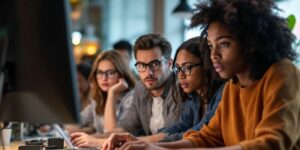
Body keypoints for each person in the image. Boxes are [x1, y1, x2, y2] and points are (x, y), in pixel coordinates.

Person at [102, 0, 300, 149]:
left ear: (251, 43)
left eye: (224, 44)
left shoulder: (281, 72)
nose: (213, 55)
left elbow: (272, 143)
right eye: (212, 46)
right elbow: (206, 137)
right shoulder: (233, 86)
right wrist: (150, 146)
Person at [72, 33, 184, 148]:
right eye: (141, 65)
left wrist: (98, 141)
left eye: (155, 64)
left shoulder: (180, 88)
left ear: (169, 63)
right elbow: (124, 128)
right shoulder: (141, 88)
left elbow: (168, 135)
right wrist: (85, 139)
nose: (148, 72)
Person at [132, 37, 225, 143]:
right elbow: (179, 126)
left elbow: (200, 132)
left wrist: (144, 142)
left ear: (206, 65)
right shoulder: (194, 97)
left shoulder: (222, 93)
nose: (180, 75)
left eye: (186, 68)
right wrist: (139, 141)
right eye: (178, 68)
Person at [70, 50, 136, 142]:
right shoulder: (98, 96)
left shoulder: (131, 98)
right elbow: (80, 120)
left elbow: (112, 135)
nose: (104, 78)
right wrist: (53, 125)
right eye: (100, 73)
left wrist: (112, 94)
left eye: (110, 73)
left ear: (121, 74)